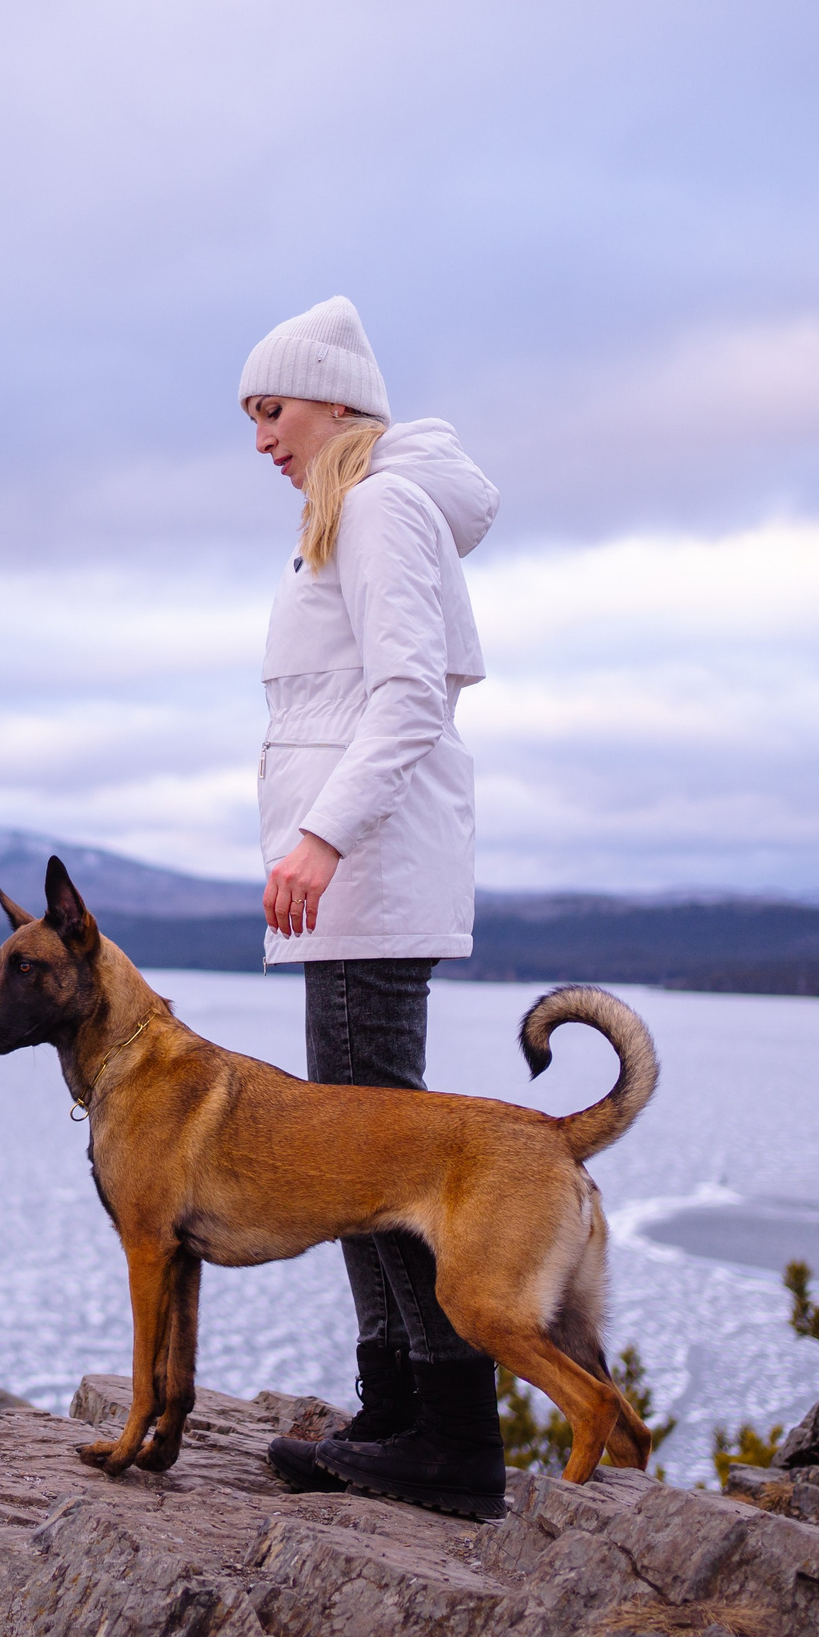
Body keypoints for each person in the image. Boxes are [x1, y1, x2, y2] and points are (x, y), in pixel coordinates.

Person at [238, 295, 506, 1516]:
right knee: (354, 1160)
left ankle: (449, 1437)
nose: (259, 440)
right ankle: (396, 1408)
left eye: (273, 409)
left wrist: (317, 839)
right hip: (356, 886)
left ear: (338, 401)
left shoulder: (386, 505)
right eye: (248, 415)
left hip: (368, 876)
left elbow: (407, 698)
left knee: (379, 1162)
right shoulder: (348, 512)